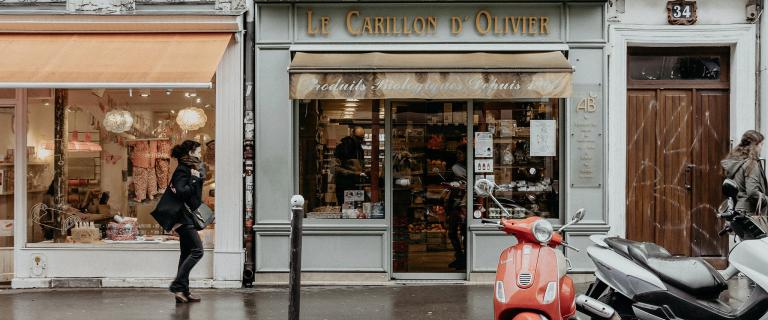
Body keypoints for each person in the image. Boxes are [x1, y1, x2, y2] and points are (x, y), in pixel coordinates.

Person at [168, 140, 205, 303]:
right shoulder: (182, 170)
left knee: (186, 253)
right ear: (190, 152)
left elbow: (194, 195)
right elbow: (182, 193)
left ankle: (183, 291)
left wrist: (198, 178)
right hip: (182, 217)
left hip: (186, 216)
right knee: (198, 251)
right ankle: (177, 286)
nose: (200, 154)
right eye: (198, 151)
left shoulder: (190, 169)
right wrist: (195, 180)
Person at [722, 130, 768, 215]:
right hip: (750, 214)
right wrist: (766, 199)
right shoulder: (751, 164)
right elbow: (752, 192)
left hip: (737, 210)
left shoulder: (736, 161)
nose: (761, 148)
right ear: (755, 146)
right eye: (761, 145)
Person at [446, 145, 468, 269]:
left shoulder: (459, 168)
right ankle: (460, 256)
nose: (458, 156)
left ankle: (463, 258)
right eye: (457, 153)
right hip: (456, 203)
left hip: (463, 204)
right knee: (453, 232)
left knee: (463, 232)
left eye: (460, 153)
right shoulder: (457, 168)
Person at [334, 126, 367, 204]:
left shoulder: (360, 149)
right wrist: (356, 173)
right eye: (358, 138)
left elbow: (360, 166)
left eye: (361, 138)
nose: (360, 141)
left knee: (356, 209)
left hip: (356, 185)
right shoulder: (342, 147)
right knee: (346, 209)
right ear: (352, 135)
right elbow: (335, 168)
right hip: (344, 185)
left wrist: (363, 171)